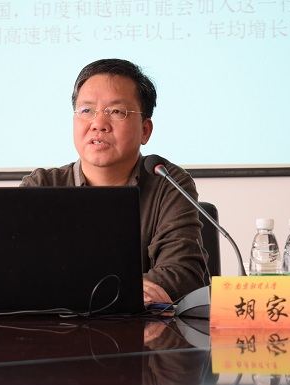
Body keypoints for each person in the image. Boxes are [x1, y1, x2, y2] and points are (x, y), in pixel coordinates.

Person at [20, 58, 207, 304]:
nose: (98, 124)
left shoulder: (168, 184)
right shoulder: (41, 186)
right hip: (55, 327)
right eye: (86, 111)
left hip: (142, 328)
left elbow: (183, 274)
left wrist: (71, 288)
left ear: (145, 130)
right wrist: (128, 289)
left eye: (116, 112)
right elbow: (18, 273)